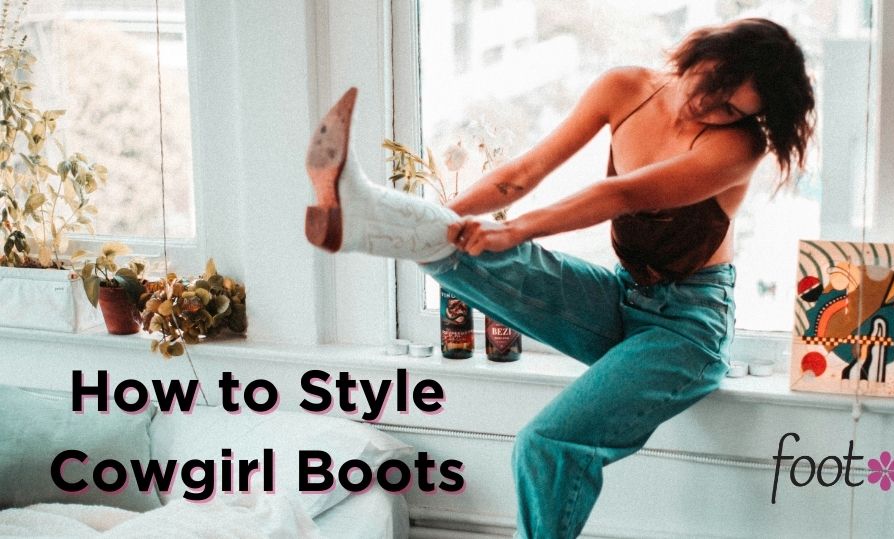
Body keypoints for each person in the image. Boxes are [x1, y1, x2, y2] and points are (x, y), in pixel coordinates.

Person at [305, 17, 814, 539]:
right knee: (458, 255)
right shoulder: (625, 88)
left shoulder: (738, 148)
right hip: (624, 297)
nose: (713, 108)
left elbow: (620, 195)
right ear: (702, 54)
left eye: (733, 110)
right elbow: (520, 176)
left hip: (686, 332)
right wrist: (435, 223)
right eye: (717, 88)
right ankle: (373, 217)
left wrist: (516, 229)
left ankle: (380, 217)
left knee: (546, 443)